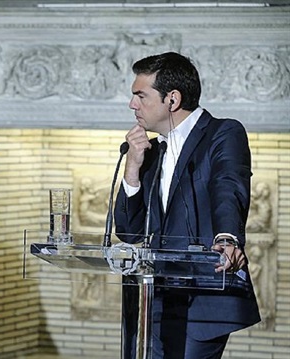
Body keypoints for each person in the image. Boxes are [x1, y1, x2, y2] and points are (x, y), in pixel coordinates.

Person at [114, 52, 260, 358]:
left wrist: (227, 237)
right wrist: (132, 168)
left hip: (203, 297)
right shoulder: (149, 151)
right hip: (151, 297)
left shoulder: (223, 133)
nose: (132, 104)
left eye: (140, 95)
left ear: (172, 99)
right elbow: (128, 234)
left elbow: (228, 187)